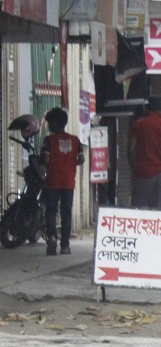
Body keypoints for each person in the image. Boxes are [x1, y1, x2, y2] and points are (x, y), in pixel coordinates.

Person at [40, 107, 84, 256]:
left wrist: (50, 163)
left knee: (51, 212)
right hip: (68, 182)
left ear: (55, 123)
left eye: (50, 123)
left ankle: (52, 237)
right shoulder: (75, 140)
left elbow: (45, 159)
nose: (49, 126)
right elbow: (81, 159)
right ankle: (65, 246)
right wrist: (70, 165)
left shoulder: (49, 140)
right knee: (66, 213)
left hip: (53, 181)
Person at [129, 96, 161, 210]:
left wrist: (134, 169)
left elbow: (131, 150)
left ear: (148, 109)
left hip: (142, 174)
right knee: (160, 210)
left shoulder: (138, 125)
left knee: (139, 209)